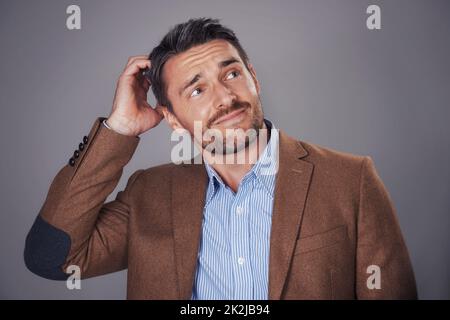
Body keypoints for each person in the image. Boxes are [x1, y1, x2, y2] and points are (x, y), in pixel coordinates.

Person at [24, 18, 417, 299]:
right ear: (173, 120)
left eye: (231, 74)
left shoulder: (351, 179)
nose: (224, 98)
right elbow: (50, 258)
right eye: (196, 91)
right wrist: (118, 129)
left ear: (254, 79)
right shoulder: (149, 194)